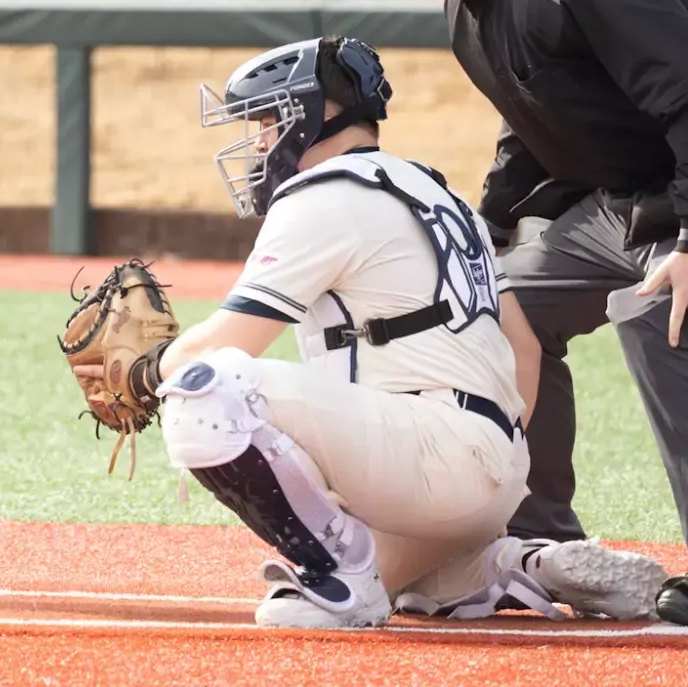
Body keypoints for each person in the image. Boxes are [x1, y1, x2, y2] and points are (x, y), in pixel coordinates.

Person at [83, 37, 665, 629]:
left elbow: (232, 342)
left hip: (421, 457)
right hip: (484, 473)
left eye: (267, 119)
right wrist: (501, 460)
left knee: (209, 388)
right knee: (399, 588)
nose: (258, 140)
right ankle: (513, 563)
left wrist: (145, 373)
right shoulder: (440, 193)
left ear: (318, 114)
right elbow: (523, 347)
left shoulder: (323, 193)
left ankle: (340, 577)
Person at [373, 0, 688, 625]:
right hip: (627, 212)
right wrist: (487, 229)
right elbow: (533, 120)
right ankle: (537, 543)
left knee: (653, 311)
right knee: (496, 308)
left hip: (678, 214)